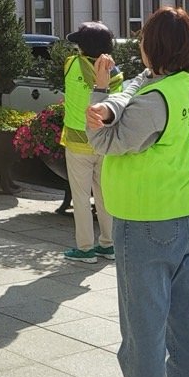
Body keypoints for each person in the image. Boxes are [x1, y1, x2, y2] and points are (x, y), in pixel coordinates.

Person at [84, 6, 189, 377]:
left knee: (142, 337)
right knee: (187, 328)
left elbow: (102, 141)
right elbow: (139, 87)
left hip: (144, 224)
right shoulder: (177, 85)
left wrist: (100, 93)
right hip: (184, 216)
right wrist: (115, 96)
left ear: (151, 47)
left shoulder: (150, 100)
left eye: (143, 39)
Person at [61, 22, 122, 263]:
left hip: (77, 141)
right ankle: (108, 244)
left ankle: (85, 248)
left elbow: (78, 61)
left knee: (81, 198)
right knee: (105, 196)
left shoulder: (71, 64)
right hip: (105, 142)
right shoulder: (115, 74)